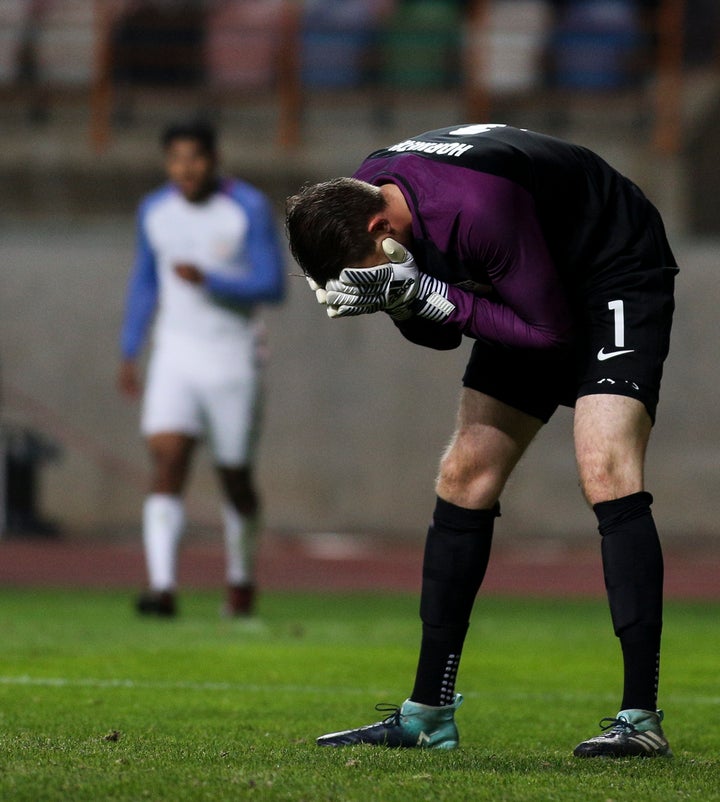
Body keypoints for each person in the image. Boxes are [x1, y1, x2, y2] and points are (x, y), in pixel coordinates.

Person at [285, 123, 677, 757]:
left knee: (606, 466)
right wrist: (405, 299)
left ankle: (641, 719)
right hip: (527, 276)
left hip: (611, 265)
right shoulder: (371, 198)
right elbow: (440, 333)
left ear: (380, 232)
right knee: (465, 474)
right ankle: (428, 714)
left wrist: (422, 293)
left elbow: (550, 336)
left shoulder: (475, 210)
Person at [118, 119, 285, 618]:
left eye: (194, 158)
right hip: (175, 354)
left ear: (213, 160)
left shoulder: (246, 207)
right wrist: (130, 348)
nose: (184, 169)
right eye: (175, 159)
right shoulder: (155, 210)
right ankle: (162, 588)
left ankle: (241, 581)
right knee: (167, 458)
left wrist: (212, 281)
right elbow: (145, 282)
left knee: (234, 476)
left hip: (231, 355)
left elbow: (272, 284)